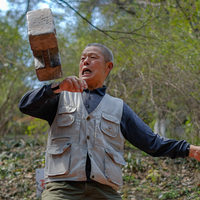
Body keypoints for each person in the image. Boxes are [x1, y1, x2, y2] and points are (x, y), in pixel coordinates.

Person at [19, 43, 200, 200]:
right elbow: (26, 105)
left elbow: (152, 142)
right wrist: (57, 87)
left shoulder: (119, 107)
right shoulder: (59, 97)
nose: (85, 61)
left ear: (108, 66)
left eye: (92, 57)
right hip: (61, 190)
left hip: (104, 191)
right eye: (82, 58)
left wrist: (191, 150)